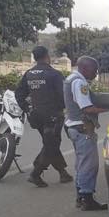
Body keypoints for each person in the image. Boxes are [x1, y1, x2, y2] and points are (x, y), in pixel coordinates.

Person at [15, 46, 72, 187]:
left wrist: (27, 108)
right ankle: (36, 173)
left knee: (50, 142)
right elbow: (62, 95)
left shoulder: (29, 74)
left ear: (34, 58)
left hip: (36, 116)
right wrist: (64, 108)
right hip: (52, 116)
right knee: (51, 144)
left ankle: (63, 173)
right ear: (47, 56)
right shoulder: (54, 74)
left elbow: (19, 94)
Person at [64, 56, 109, 211]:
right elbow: (87, 108)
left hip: (75, 129)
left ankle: (81, 198)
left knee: (81, 165)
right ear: (85, 68)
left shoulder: (71, 79)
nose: (96, 74)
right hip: (83, 129)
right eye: (94, 70)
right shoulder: (80, 82)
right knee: (89, 166)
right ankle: (87, 199)